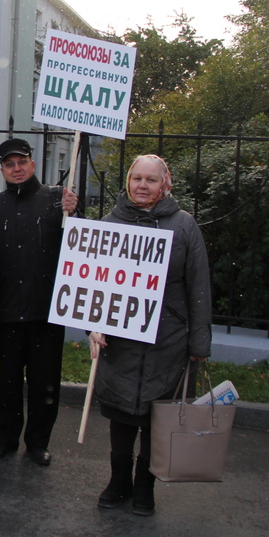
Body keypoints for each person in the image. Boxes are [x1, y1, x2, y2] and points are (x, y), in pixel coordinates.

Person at [89, 154, 211, 516]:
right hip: (120, 341)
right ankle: (118, 481)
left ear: (165, 184)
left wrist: (198, 344)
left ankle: (145, 485)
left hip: (167, 341)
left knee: (156, 418)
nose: (142, 185)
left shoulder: (184, 226)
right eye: (137, 178)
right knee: (122, 416)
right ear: (128, 182)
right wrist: (93, 325)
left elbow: (198, 285)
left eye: (151, 180)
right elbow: (92, 283)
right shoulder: (110, 223)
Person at [0, 138, 77, 466]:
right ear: (2, 170)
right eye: (10, 164)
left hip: (48, 309)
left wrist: (75, 214)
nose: (17, 169)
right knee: (7, 380)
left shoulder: (58, 200)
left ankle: (38, 442)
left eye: (22, 162)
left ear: (33, 164)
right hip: (7, 310)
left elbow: (80, 245)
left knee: (44, 380)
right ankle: (4, 438)